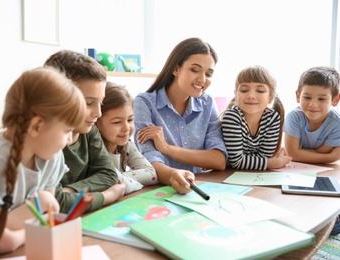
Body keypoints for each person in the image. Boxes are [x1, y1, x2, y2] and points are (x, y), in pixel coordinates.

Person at [0, 67, 87, 254]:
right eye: (67, 130)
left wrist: (42, 205)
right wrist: (23, 232)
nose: (70, 140)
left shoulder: (53, 157)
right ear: (36, 126)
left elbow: (47, 214)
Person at [133, 37, 227, 194]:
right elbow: (149, 160)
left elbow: (219, 160)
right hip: (160, 190)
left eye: (209, 74)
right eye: (194, 70)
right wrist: (173, 176)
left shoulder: (208, 103)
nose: (202, 79)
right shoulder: (145, 102)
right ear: (176, 69)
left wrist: (167, 148)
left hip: (200, 187)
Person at [44, 50, 125, 213]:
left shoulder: (89, 130)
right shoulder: (44, 142)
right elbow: (56, 204)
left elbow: (109, 175)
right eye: (88, 103)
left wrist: (70, 191)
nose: (98, 113)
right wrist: (107, 196)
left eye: (100, 103)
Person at [221, 65, 291, 170]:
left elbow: (264, 156)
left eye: (260, 91)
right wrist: (275, 163)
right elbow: (236, 162)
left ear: (270, 97)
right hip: (228, 174)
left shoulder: (273, 118)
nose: (251, 95)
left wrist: (264, 161)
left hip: (253, 174)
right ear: (236, 95)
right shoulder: (232, 117)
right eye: (244, 90)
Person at [96, 82, 158, 194]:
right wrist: (131, 183)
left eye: (130, 120)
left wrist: (124, 180)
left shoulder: (126, 145)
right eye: (117, 122)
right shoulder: (95, 150)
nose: (126, 128)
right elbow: (114, 180)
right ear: (97, 123)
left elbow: (152, 174)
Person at [283, 66, 340, 164]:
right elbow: (292, 154)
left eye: (321, 99)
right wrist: (331, 157)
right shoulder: (293, 117)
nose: (313, 104)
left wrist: (298, 152)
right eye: (307, 97)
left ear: (335, 100)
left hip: (323, 170)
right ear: (298, 96)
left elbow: (320, 152)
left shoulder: (337, 124)